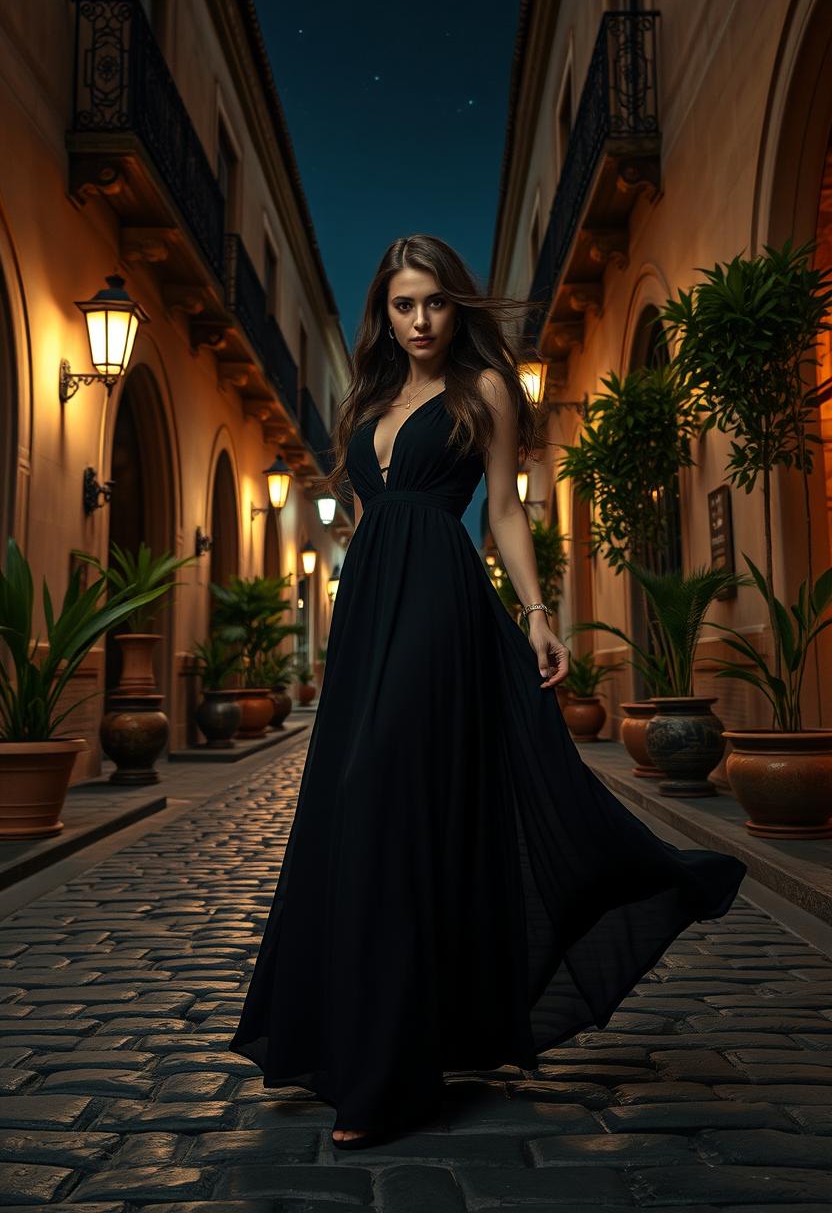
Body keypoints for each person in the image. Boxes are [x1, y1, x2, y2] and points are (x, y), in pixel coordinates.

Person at [228, 233, 747, 1150]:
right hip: (370, 611)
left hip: (439, 600)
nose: (420, 320)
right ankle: (363, 1043)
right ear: (382, 312)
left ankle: (390, 1079)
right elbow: (359, 513)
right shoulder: (370, 399)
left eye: (433, 302)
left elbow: (504, 507)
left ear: (456, 306)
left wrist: (539, 610)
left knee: (384, 793)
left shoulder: (487, 392)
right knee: (358, 810)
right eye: (402, 304)